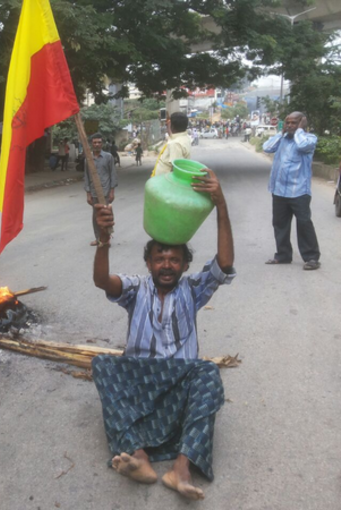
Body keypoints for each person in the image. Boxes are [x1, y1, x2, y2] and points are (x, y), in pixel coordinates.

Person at [90, 168, 234, 501]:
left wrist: (220, 203)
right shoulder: (134, 289)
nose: (166, 265)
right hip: (140, 381)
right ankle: (139, 458)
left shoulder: (194, 290)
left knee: (208, 372)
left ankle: (179, 470)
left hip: (179, 383)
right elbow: (102, 281)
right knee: (103, 365)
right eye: (159, 259)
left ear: (185, 266)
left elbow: (224, 263)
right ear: (149, 263)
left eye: (174, 259)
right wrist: (104, 240)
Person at [263, 112, 320, 270]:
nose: (289, 125)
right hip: (279, 190)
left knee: (304, 224)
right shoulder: (283, 139)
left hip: (299, 191)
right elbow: (266, 148)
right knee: (280, 224)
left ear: (301, 124)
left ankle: (312, 257)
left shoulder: (309, 139)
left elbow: (302, 146)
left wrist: (300, 130)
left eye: (294, 123)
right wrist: (281, 134)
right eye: (287, 122)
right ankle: (283, 255)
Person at [84, 133, 117, 247]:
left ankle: (106, 239)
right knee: (95, 216)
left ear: (102, 144)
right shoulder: (88, 159)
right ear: (92, 144)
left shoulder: (108, 157)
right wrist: (88, 193)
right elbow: (87, 177)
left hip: (106, 191)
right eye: (94, 142)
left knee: (105, 215)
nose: (97, 144)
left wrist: (112, 191)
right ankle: (98, 238)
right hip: (94, 192)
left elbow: (112, 174)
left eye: (99, 142)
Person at [152, 112, 191, 176]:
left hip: (164, 181)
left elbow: (176, 168)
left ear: (172, 126)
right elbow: (172, 135)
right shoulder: (184, 137)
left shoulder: (175, 144)